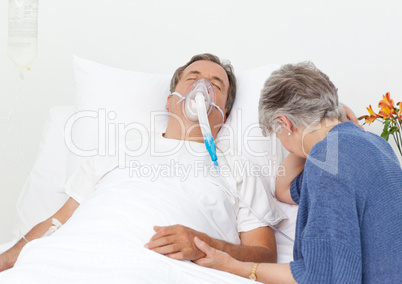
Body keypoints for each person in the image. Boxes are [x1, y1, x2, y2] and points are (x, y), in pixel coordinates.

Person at [0, 53, 283, 277]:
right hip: (69, 257)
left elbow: (264, 254)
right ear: (169, 101)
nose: (203, 86)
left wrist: (203, 244)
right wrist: (6, 261)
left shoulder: (238, 169)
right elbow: (57, 221)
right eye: (193, 77)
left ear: (226, 112)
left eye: (216, 84)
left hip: (158, 269)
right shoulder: (120, 148)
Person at [193, 62, 402, 283]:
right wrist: (320, 124)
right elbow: (283, 189)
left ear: (285, 123)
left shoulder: (327, 161)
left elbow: (322, 276)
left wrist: (233, 266)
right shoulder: (374, 143)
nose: (284, 145)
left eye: (278, 134)